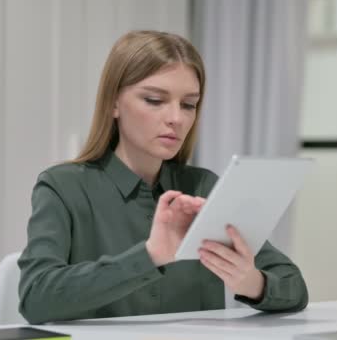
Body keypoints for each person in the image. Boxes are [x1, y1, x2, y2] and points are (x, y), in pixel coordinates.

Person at [17, 30, 308, 324]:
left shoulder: (203, 187)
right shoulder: (63, 187)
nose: (176, 118)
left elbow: (294, 287)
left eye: (188, 104)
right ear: (113, 103)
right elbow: (36, 298)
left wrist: (252, 283)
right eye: (155, 100)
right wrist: (149, 256)